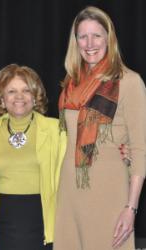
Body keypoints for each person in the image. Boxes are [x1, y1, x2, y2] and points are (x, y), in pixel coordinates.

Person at [54, 6, 146, 250]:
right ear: (75, 42)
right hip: (69, 192)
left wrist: (131, 208)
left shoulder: (130, 82)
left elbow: (140, 149)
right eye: (82, 36)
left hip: (110, 192)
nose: (89, 43)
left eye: (96, 35)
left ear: (109, 38)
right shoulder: (71, 83)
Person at [0, 64, 67, 250]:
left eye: (26, 90)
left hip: (45, 229)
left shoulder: (58, 131)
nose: (19, 97)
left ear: (36, 97)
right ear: (1, 99)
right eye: (11, 91)